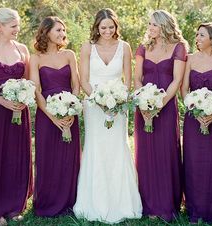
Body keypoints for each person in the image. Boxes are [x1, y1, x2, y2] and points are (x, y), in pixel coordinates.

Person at [73, 8, 142, 224]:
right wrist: (98, 100)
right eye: (103, 27)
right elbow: (83, 79)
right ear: (96, 27)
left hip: (118, 105)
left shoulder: (125, 47)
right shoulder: (87, 48)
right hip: (94, 105)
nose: (107, 31)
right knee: (96, 145)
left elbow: (128, 81)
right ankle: (92, 202)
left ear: (116, 26)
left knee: (117, 146)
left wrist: (117, 101)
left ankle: (122, 202)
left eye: (111, 27)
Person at [134, 9, 188, 221]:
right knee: (145, 154)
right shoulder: (143, 48)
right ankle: (148, 204)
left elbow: (177, 81)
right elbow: (137, 78)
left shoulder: (179, 48)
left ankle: (167, 203)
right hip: (144, 108)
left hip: (165, 108)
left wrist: (158, 105)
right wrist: (144, 103)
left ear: (165, 25)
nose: (150, 28)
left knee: (166, 153)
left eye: (154, 25)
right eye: (149, 24)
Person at [30, 16, 81, 217]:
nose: (62, 34)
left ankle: (70, 201)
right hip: (47, 115)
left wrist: (71, 109)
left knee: (69, 157)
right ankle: (48, 202)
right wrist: (53, 117)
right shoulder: (36, 59)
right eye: (58, 30)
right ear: (46, 32)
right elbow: (37, 91)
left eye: (63, 30)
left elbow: (76, 85)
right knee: (48, 157)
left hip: (69, 113)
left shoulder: (69, 54)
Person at [181, 22, 212, 224]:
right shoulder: (189, 59)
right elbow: (183, 89)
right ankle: (194, 207)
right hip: (193, 120)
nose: (197, 38)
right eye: (197, 34)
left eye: (202, 35)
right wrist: (195, 109)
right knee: (193, 163)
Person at [0, 8, 32, 226]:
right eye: (13, 26)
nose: (18, 29)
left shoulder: (22, 48)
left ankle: (14, 205)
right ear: (0, 26)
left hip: (19, 112)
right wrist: (4, 102)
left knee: (16, 157)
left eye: (18, 25)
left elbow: (27, 81)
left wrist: (23, 100)